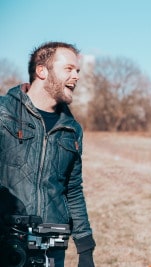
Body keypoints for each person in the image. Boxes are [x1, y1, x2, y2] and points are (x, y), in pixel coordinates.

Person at [0, 42, 95, 267]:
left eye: (78, 71)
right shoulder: (3, 113)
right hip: (7, 242)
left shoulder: (72, 128)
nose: (76, 76)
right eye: (69, 69)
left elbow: (72, 189)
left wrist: (85, 247)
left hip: (52, 247)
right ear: (42, 71)